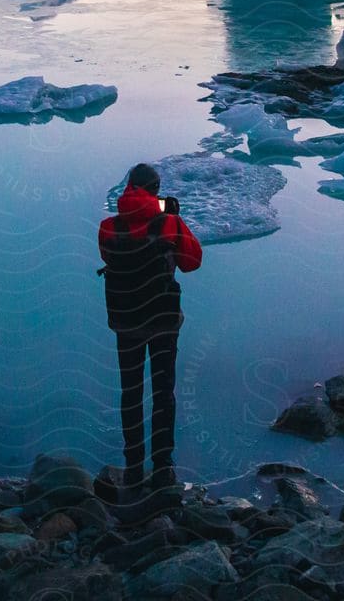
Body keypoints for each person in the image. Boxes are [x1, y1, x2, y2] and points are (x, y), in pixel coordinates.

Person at [98, 162, 202, 494]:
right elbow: (192, 261)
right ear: (156, 190)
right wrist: (173, 216)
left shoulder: (107, 228)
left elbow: (119, 244)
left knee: (130, 393)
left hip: (125, 321)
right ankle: (163, 469)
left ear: (129, 187)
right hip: (162, 321)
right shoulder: (168, 222)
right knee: (163, 393)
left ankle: (132, 469)